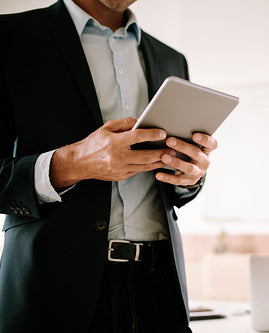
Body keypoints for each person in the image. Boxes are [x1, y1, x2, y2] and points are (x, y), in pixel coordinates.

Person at [0, 0, 216, 332]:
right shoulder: (10, 38)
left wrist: (190, 176)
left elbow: (173, 190)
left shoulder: (172, 59)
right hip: (53, 290)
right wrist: (72, 164)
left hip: (160, 289)